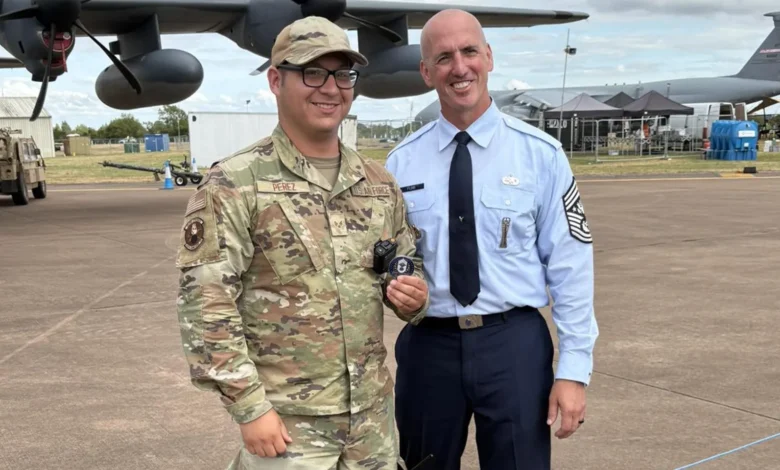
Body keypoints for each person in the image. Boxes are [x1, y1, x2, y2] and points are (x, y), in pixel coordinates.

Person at [175, 15, 429, 470]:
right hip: (288, 425)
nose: (330, 88)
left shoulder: (377, 184)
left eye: (343, 74)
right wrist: (250, 407)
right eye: (313, 72)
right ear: (276, 80)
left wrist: (413, 298)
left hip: (371, 421)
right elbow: (206, 304)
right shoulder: (234, 182)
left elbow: (405, 269)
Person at [384, 9, 599, 470]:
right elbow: (389, 262)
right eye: (443, 57)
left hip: (514, 344)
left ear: (489, 57)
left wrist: (574, 371)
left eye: (469, 52)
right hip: (429, 346)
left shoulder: (541, 155)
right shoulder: (400, 165)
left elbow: (570, 266)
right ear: (426, 72)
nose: (459, 68)